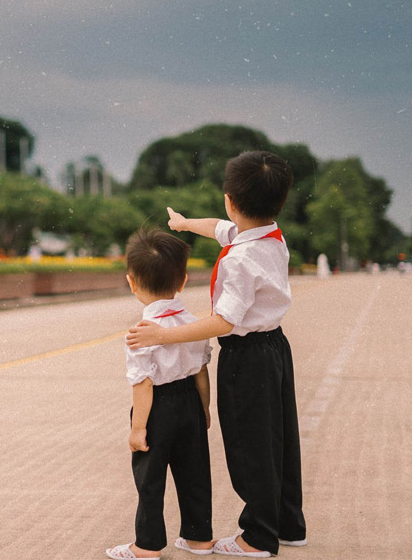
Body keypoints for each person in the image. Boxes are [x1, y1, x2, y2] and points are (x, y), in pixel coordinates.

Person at [126, 151, 307, 558]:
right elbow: (220, 228)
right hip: (276, 347)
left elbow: (223, 321)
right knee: (280, 438)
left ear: (229, 199)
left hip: (248, 356)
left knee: (250, 445)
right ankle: (288, 523)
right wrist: (185, 224)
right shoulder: (268, 236)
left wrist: (164, 336)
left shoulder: (242, 259)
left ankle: (257, 537)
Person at [106, 228, 214, 559]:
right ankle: (199, 537)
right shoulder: (192, 323)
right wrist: (205, 409)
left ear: (132, 282)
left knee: (150, 478)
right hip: (190, 404)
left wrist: (138, 428)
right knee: (194, 472)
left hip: (158, 409)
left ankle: (147, 545)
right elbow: (201, 370)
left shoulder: (141, 333)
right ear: (182, 280)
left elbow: (143, 385)